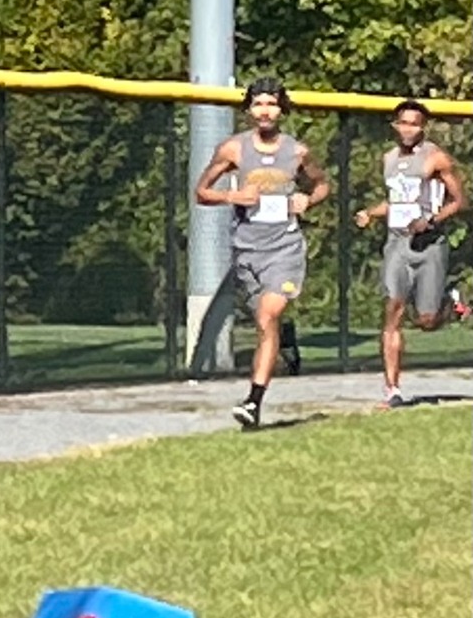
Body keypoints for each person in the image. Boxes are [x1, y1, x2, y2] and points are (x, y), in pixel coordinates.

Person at [192, 76, 330, 430]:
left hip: (285, 249)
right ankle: (286, 342)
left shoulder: (297, 152)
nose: (265, 111)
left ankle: (253, 402)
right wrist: (233, 196)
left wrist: (307, 199)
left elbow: (322, 184)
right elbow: (201, 192)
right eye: (258, 104)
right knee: (264, 323)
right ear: (249, 109)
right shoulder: (233, 149)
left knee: (268, 316)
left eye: (271, 104)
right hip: (248, 250)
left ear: (282, 109)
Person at [352, 100, 464, 407]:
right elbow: (395, 202)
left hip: (429, 243)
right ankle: (393, 390)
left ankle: (449, 301)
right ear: (395, 125)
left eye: (415, 124)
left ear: (423, 127)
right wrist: (370, 213)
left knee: (426, 320)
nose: (408, 129)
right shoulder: (388, 159)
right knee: (393, 310)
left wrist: (430, 220)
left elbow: (459, 201)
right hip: (398, 242)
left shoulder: (435, 158)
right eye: (404, 123)